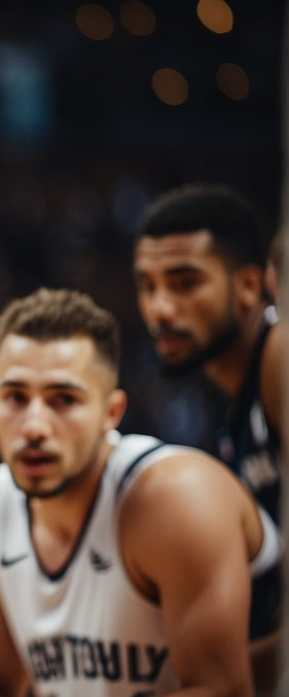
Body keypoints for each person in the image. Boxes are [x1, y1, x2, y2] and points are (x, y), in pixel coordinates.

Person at [0, 288, 281, 696]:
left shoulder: (175, 496)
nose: (33, 426)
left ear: (111, 412)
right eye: (15, 397)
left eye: (62, 399)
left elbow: (222, 689)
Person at [133, 183, 282, 688]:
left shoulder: (280, 354)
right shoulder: (231, 407)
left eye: (184, 282)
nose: (160, 309)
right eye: (147, 286)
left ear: (247, 286)